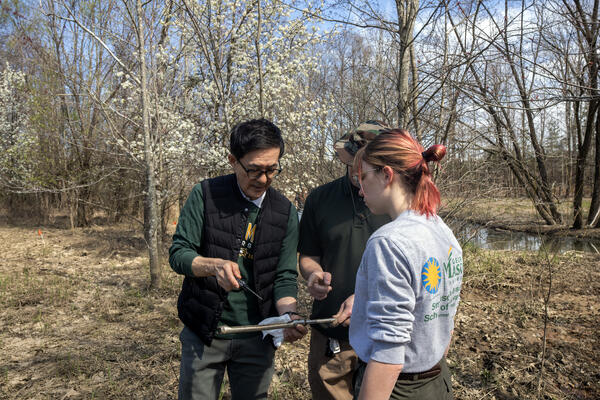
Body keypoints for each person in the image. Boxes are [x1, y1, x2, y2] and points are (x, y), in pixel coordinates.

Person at [169, 118, 307, 400]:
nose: (264, 179)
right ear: (233, 161)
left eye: (272, 169)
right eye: (254, 170)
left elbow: (284, 275)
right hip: (205, 330)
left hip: (258, 336)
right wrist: (213, 266)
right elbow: (179, 253)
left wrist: (288, 314)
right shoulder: (206, 195)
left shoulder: (285, 211)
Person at [348, 129, 463, 400]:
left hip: (397, 389)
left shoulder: (389, 241)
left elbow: (389, 355)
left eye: (363, 178)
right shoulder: (442, 231)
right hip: (437, 381)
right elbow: (443, 319)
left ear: (387, 175)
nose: (361, 189)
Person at [298, 121, 391, 400]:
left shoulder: (400, 204)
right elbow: (308, 256)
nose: (357, 172)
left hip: (384, 337)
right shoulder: (320, 199)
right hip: (332, 333)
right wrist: (313, 274)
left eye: (365, 166)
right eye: (352, 164)